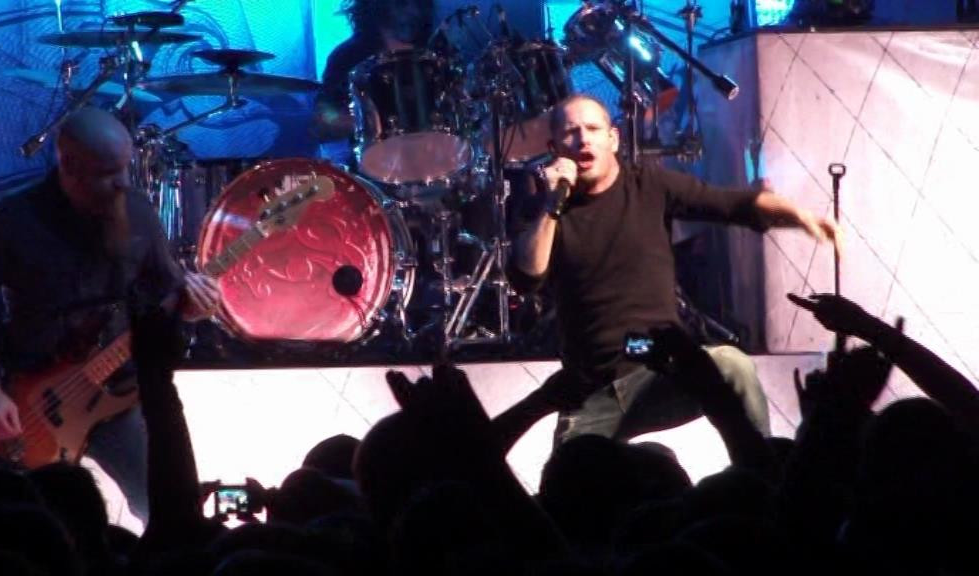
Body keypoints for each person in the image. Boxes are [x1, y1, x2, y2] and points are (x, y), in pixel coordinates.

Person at [511, 94, 842, 445]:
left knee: (731, 365)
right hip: (593, 385)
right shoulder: (543, 209)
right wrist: (552, 204)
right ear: (553, 148)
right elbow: (526, 277)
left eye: (593, 129)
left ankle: (760, 465)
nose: (583, 140)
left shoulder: (650, 186)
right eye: (571, 132)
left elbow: (731, 203)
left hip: (654, 363)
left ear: (613, 139)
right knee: (567, 470)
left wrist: (798, 216)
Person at [0, 107, 220, 525]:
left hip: (119, 396)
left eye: (125, 168)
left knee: (169, 510)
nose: (123, 182)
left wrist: (193, 307)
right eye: (108, 173)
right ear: (69, 167)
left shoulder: (137, 211)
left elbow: (166, 295)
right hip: (36, 401)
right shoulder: (13, 219)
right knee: (12, 521)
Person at [312, 0, 436, 143]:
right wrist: (365, 122)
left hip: (439, 151)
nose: (413, 11)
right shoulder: (346, 56)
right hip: (376, 154)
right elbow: (321, 125)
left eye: (418, 3)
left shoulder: (436, 50)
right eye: (402, 3)